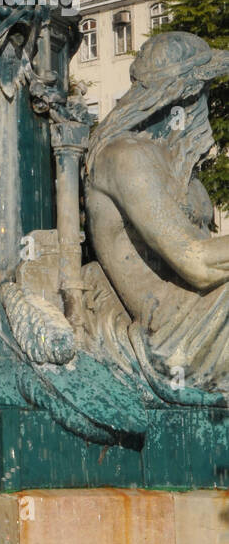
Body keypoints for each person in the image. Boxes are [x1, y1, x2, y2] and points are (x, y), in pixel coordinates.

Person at [85, 31, 229, 394]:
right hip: (173, 328)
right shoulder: (126, 158)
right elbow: (197, 265)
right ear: (186, 95)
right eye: (205, 90)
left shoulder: (179, 167)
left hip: (204, 306)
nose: (207, 103)